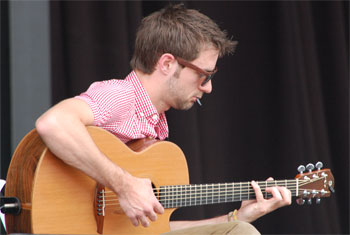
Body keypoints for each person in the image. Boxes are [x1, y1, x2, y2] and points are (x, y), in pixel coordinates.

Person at [35, 4, 291, 234]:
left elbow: (158, 230)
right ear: (167, 63)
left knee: (239, 228)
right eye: (205, 75)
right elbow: (54, 123)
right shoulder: (122, 96)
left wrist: (235, 216)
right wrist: (124, 185)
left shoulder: (154, 127)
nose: (208, 88)